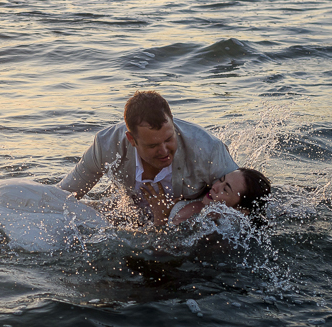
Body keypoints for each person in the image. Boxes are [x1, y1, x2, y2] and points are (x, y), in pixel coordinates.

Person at [57, 90, 238, 220]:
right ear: (131, 139)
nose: (164, 151)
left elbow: (245, 200)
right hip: (135, 214)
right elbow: (62, 195)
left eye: (169, 139)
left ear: (173, 122)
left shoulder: (208, 149)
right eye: (153, 145)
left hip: (185, 217)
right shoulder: (106, 146)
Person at [139, 166, 271, 229]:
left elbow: (161, 253)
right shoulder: (203, 198)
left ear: (242, 211)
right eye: (221, 179)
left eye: (225, 189)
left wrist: (160, 217)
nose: (215, 186)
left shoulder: (214, 231)